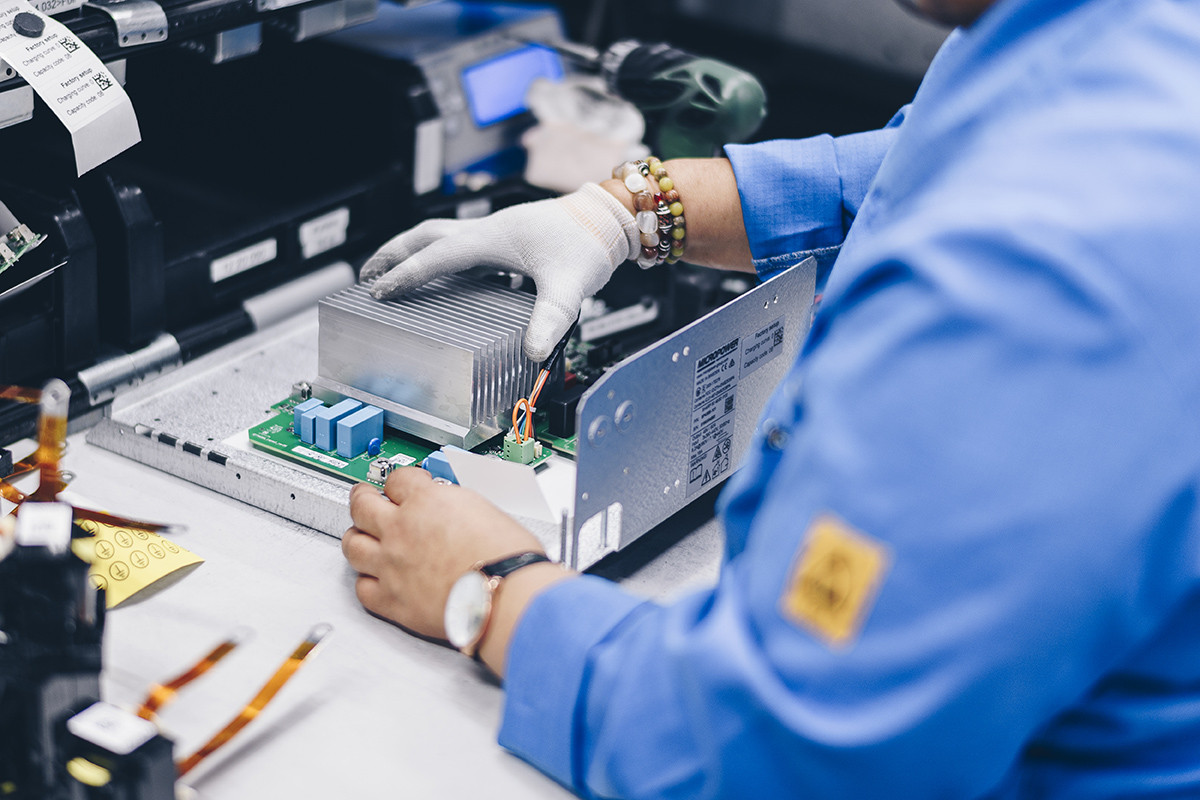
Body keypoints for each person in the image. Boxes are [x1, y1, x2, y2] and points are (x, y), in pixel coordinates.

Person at [339, 0, 1200, 795]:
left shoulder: (1041, 283)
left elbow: (776, 755)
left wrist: (490, 590)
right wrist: (627, 210)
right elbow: (907, 168)